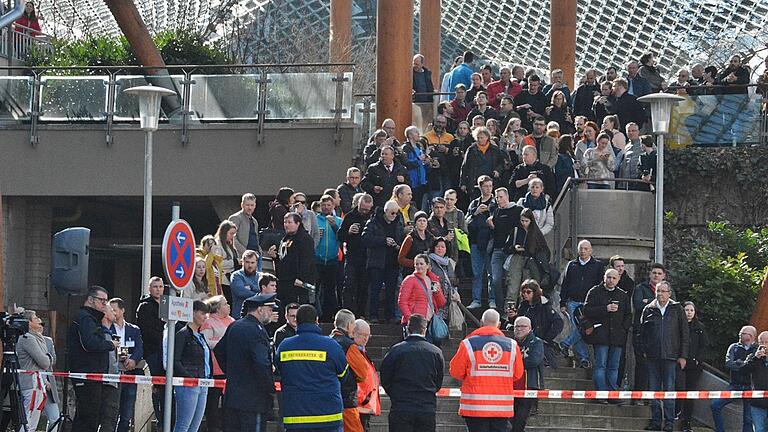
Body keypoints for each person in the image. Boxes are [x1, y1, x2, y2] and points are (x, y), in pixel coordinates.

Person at [450, 309, 524, 432]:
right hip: (501, 408)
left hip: (474, 407)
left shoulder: (468, 344)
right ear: (499, 324)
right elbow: (518, 374)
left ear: (481, 322)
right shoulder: (512, 345)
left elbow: (455, 371)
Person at [275, 304, 348, 430]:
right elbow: (344, 375)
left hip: (295, 416)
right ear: (317, 321)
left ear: (297, 321)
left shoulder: (284, 346)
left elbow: (279, 373)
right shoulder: (331, 346)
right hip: (328, 416)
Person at [214, 293, 278, 432]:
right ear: (260, 310)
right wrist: (269, 388)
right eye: (270, 309)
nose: (271, 313)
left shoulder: (235, 325)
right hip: (254, 400)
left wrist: (232, 371)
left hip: (233, 396)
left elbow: (219, 350)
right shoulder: (257, 330)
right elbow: (261, 363)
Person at [638, 281, 689, 432]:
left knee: (669, 391)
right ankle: (655, 421)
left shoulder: (677, 309)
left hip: (671, 357)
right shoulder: (649, 309)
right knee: (653, 391)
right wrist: (643, 351)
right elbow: (641, 333)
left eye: (663, 291)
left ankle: (669, 423)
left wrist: (683, 356)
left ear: (669, 293)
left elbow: (684, 334)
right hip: (652, 357)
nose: (660, 294)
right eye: (658, 291)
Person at [380, 314, 444, 432]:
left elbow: (385, 377)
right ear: (424, 330)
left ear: (407, 329)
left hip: (401, 407)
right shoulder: (436, 352)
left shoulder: (395, 350)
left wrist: (395, 394)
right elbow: (438, 381)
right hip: (426, 408)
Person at [68, 286, 119, 432]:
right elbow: (89, 343)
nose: (104, 305)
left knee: (89, 417)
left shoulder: (91, 318)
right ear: (90, 300)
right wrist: (110, 344)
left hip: (93, 375)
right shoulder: (85, 318)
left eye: (106, 301)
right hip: (87, 375)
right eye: (101, 301)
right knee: (88, 419)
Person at [583, 269, 632, 398]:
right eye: (608, 277)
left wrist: (623, 329)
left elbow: (628, 315)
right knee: (601, 365)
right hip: (601, 335)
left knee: (614, 367)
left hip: (617, 336)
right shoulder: (594, 292)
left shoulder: (622, 295)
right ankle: (601, 393)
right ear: (604, 278)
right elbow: (586, 310)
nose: (611, 280)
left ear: (618, 280)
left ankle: (612, 393)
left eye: (614, 278)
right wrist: (605, 309)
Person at [559, 240, 604, 368]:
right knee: (578, 328)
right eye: (581, 249)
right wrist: (563, 302)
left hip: (588, 303)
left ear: (591, 250)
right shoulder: (571, 265)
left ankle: (566, 343)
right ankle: (584, 358)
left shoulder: (598, 266)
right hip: (573, 301)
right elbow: (565, 284)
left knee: (583, 328)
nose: (583, 251)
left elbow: (600, 285)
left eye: (586, 249)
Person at [361, 200, 404, 323]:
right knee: (375, 289)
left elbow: (402, 239)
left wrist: (397, 246)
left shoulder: (398, 223)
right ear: (385, 211)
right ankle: (373, 315)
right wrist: (383, 240)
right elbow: (365, 238)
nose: (394, 215)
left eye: (396, 213)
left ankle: (390, 316)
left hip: (392, 262)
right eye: (392, 213)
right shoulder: (373, 222)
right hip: (377, 262)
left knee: (391, 290)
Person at [173, 301, 212, 432]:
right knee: (183, 425)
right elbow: (175, 360)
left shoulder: (200, 336)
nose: (205, 317)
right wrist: (189, 377)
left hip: (202, 382)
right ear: (193, 313)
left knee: (194, 427)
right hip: (188, 384)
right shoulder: (183, 334)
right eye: (202, 313)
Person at [710, 325, 757, 432]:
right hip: (735, 385)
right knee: (715, 405)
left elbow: (753, 368)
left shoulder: (756, 350)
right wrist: (744, 364)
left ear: (751, 336)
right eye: (740, 332)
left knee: (748, 419)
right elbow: (729, 364)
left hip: (750, 386)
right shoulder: (733, 347)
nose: (740, 334)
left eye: (743, 333)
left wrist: (740, 364)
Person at [507, 279, 563, 367]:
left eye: (528, 292)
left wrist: (547, 337)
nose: (525, 294)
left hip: (538, 341)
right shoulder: (523, 305)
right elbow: (520, 323)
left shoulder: (545, 306)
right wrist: (513, 317)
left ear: (535, 292)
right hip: (523, 342)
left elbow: (558, 322)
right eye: (523, 292)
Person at [200, 295, 235, 432]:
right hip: (214, 367)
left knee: (228, 400)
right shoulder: (208, 322)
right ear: (217, 308)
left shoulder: (232, 321)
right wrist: (224, 343)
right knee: (213, 400)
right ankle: (213, 427)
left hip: (230, 367)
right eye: (225, 304)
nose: (228, 306)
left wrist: (219, 339)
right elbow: (207, 341)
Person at [266, 212, 317, 306]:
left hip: (297, 283)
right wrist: (275, 257)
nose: (286, 225)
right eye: (285, 222)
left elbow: (307, 260)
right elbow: (284, 259)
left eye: (289, 222)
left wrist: (301, 278)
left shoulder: (305, 239)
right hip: (284, 280)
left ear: (297, 223)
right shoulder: (285, 239)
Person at [632, 263, 669, 392]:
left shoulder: (670, 291)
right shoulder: (640, 288)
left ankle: (651, 396)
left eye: (659, 273)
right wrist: (657, 302)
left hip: (660, 336)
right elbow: (638, 305)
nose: (656, 276)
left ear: (664, 276)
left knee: (656, 368)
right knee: (641, 365)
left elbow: (670, 308)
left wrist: (647, 301)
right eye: (654, 273)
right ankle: (638, 395)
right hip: (642, 334)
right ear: (650, 274)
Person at [330, 309, 368, 432]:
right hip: (346, 401)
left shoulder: (326, 342)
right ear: (348, 325)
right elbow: (362, 373)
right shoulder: (349, 345)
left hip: (327, 399)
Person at [110, 298, 145, 432]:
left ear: (122, 310)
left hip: (130, 375)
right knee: (112, 411)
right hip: (114, 375)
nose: (112, 313)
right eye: (110, 310)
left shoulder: (134, 329)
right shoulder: (107, 328)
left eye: (115, 310)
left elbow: (139, 348)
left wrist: (134, 360)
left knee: (126, 413)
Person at [16, 310, 54, 432]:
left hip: (37, 383)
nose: (39, 320)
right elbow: (44, 362)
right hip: (31, 383)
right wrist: (48, 357)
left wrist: (47, 358)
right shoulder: (28, 338)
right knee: (29, 419)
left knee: (33, 419)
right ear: (29, 323)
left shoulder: (37, 338)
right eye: (35, 318)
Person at [136, 277, 167, 424]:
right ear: (149, 289)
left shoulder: (167, 304)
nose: (158, 289)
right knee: (158, 387)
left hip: (167, 351)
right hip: (154, 352)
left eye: (161, 287)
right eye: (155, 287)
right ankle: (160, 420)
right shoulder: (145, 307)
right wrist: (165, 337)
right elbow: (147, 331)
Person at [487, 187, 523, 310]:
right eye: (497, 197)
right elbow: (495, 233)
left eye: (501, 197)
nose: (498, 199)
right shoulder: (496, 212)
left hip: (512, 251)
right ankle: (500, 306)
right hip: (497, 249)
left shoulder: (518, 210)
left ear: (507, 196)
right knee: (495, 280)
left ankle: (510, 310)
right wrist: (491, 226)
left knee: (511, 282)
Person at [339, 193, 374, 316]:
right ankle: (347, 312)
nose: (364, 211)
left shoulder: (373, 217)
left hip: (368, 256)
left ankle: (361, 313)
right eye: (362, 208)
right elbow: (340, 236)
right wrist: (348, 232)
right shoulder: (350, 216)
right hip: (353, 255)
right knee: (349, 284)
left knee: (363, 287)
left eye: (366, 209)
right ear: (358, 204)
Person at [503, 208, 550, 300]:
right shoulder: (516, 230)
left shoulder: (536, 232)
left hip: (530, 261)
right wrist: (514, 248)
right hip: (517, 258)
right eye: (522, 220)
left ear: (531, 221)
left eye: (526, 221)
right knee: (512, 288)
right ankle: (510, 311)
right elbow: (506, 248)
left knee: (526, 290)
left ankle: (524, 310)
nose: (524, 223)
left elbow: (544, 249)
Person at [398, 254, 447, 341]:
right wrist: (410, 318)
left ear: (427, 265)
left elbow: (441, 303)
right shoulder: (410, 279)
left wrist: (437, 292)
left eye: (421, 264)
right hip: (415, 322)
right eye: (416, 264)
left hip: (429, 320)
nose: (418, 266)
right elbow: (402, 302)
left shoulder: (433, 280)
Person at [465, 175, 496, 309]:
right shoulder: (474, 203)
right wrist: (476, 212)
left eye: (490, 186)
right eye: (485, 186)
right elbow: (466, 223)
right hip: (476, 241)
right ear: (480, 187)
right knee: (477, 274)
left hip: (490, 243)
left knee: (491, 274)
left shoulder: (495, 202)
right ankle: (476, 299)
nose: (488, 189)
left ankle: (492, 299)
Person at [678, 301, 709, 432]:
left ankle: (687, 421)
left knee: (689, 393)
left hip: (694, 366)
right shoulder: (678, 326)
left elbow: (704, 345)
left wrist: (697, 359)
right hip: (679, 363)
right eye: (686, 310)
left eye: (691, 310)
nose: (689, 313)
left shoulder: (700, 327)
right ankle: (677, 413)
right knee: (679, 389)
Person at [509, 316, 544, 432]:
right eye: (516, 326)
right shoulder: (510, 343)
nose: (519, 329)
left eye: (522, 326)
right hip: (511, 387)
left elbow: (534, 360)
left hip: (529, 386)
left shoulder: (537, 342)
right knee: (511, 419)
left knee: (520, 419)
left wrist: (516, 362)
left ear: (530, 328)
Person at [315, 194, 343, 320]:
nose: (326, 207)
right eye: (323, 205)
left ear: (333, 206)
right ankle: (316, 314)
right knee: (315, 289)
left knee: (330, 289)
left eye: (328, 205)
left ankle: (328, 315)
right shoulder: (315, 220)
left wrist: (334, 226)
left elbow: (342, 238)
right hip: (317, 259)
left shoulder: (338, 221)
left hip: (332, 259)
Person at [459, 127, 506, 200]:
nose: (479, 140)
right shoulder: (471, 149)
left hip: (490, 183)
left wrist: (498, 170)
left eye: (482, 137)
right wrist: (463, 183)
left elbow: (501, 163)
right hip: (475, 184)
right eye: (478, 137)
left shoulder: (495, 149)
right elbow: (464, 166)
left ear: (487, 137)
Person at [353, 319, 380, 432]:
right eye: (363, 335)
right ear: (353, 333)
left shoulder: (362, 352)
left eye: (368, 335)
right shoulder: (353, 352)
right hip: (358, 406)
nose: (366, 338)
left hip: (365, 405)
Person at [98, 301, 121, 432]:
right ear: (105, 314)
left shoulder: (110, 333)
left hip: (113, 380)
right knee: (107, 418)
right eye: (111, 310)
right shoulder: (102, 333)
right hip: (106, 382)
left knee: (112, 418)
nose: (114, 312)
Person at [428, 237, 460, 320]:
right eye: (437, 246)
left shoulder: (449, 262)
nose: (440, 249)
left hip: (447, 299)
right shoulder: (428, 260)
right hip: (434, 299)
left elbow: (453, 280)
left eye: (443, 247)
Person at [745, 331, 768, 432]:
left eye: (766, 342)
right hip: (758, 403)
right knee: (759, 429)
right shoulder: (753, 357)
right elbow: (743, 370)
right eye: (761, 342)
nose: (764, 345)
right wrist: (756, 358)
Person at [398, 211, 435, 275]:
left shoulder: (431, 238)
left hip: (426, 273)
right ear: (415, 223)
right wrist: (417, 264)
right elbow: (401, 259)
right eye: (419, 221)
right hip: (411, 272)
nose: (422, 223)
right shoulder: (410, 238)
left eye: (424, 221)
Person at [229, 250, 261, 318]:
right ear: (242, 262)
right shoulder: (236, 275)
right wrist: (259, 295)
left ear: (256, 263)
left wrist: (251, 287)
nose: (250, 265)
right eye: (247, 262)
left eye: (252, 262)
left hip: (258, 316)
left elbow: (267, 291)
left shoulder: (261, 276)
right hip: (239, 315)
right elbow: (241, 292)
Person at [213, 220, 240, 303]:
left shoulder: (230, 244)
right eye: (231, 233)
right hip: (223, 280)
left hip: (230, 278)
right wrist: (233, 262)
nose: (232, 236)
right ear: (224, 232)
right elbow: (217, 263)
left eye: (234, 234)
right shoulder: (217, 245)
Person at [229, 193, 261, 258]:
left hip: (256, 255)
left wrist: (260, 251)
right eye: (247, 205)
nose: (250, 208)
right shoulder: (235, 218)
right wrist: (245, 252)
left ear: (255, 206)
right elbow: (232, 238)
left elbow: (256, 238)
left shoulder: (254, 221)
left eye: (252, 205)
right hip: (243, 256)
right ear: (242, 205)